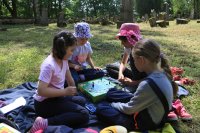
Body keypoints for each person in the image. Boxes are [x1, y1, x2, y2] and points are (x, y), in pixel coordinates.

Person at [96, 39, 175, 131]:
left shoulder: (147, 84)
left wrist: (113, 104)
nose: (133, 63)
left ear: (141, 60)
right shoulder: (163, 72)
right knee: (111, 93)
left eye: (133, 60)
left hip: (145, 121)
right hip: (146, 107)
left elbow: (129, 109)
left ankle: (109, 106)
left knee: (101, 108)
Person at [29, 31, 89, 133]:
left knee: (82, 101)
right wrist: (65, 92)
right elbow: (41, 91)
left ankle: (60, 114)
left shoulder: (64, 60)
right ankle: (44, 122)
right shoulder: (49, 65)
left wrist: (73, 91)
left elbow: (70, 79)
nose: (72, 53)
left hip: (57, 97)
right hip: (44, 104)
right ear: (62, 49)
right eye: (71, 50)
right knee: (84, 114)